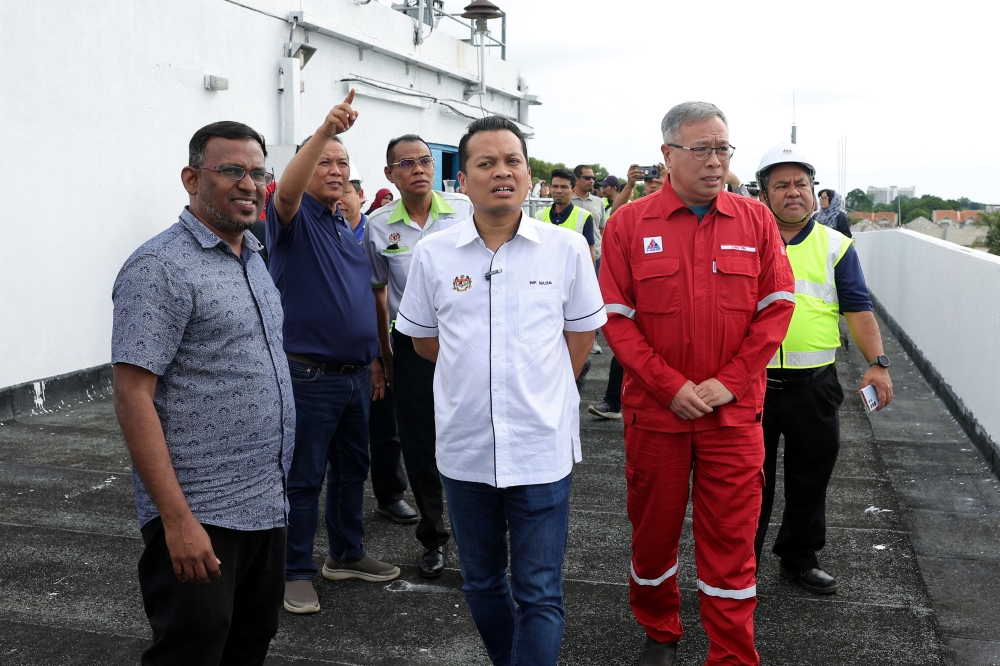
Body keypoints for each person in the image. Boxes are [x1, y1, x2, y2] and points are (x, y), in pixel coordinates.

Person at [394, 115, 606, 666]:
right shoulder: (434, 255)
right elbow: (422, 341)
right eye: (485, 163)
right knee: (483, 583)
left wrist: (540, 382)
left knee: (539, 592)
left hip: (540, 447)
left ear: (529, 175)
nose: (501, 172)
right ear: (461, 181)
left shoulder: (565, 249)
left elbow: (580, 334)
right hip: (465, 450)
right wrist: (479, 372)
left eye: (512, 161)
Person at [600, 102, 795, 666]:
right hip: (656, 417)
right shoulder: (629, 224)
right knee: (653, 536)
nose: (716, 163)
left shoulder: (754, 220)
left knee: (732, 544)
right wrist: (667, 386)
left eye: (724, 150)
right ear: (667, 155)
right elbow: (616, 317)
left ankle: (732, 653)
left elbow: (777, 307)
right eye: (702, 150)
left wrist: (728, 384)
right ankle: (660, 628)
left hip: (733, 417)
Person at [111, 121, 293, 665]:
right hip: (201, 511)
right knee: (190, 652)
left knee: (249, 642)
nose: (250, 184)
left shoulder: (253, 256)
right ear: (192, 179)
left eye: (258, 172)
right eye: (232, 170)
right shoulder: (159, 267)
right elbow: (131, 395)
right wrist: (176, 520)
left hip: (265, 500)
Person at [268, 91, 400, 616]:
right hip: (308, 375)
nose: (336, 167)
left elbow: (361, 300)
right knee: (303, 478)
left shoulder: (347, 227)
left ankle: (345, 555)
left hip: (353, 376)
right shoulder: (291, 220)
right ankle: (294, 569)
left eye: (343, 161)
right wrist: (323, 131)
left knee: (353, 471)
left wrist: (373, 359)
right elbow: (286, 186)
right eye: (324, 160)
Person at [753, 144, 893, 594]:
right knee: (749, 484)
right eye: (781, 185)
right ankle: (741, 566)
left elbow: (857, 307)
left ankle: (799, 557)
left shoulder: (836, 245)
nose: (793, 192)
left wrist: (878, 363)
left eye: (801, 184)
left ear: (814, 192)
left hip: (814, 385)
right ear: (764, 194)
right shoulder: (749, 239)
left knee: (811, 477)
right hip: (752, 385)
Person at [363, 133, 474, 577]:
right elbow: (377, 294)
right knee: (419, 441)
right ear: (390, 174)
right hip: (411, 345)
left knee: (471, 435)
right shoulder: (378, 224)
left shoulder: (465, 210)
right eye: (406, 164)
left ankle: (480, 532)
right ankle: (433, 535)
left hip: (468, 341)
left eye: (425, 161)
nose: (419, 169)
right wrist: (383, 355)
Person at [341, 178, 420, 525]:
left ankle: (390, 494)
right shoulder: (322, 233)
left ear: (361, 196)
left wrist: (380, 353)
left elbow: (382, 296)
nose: (339, 198)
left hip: (383, 343)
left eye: (347, 189)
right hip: (341, 348)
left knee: (390, 426)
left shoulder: (376, 230)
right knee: (355, 436)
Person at [534, 167, 597, 265]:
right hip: (545, 275)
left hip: (573, 275)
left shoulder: (585, 216)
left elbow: (589, 252)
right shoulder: (539, 216)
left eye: (564, 187)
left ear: (573, 190)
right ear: (550, 189)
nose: (559, 191)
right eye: (555, 186)